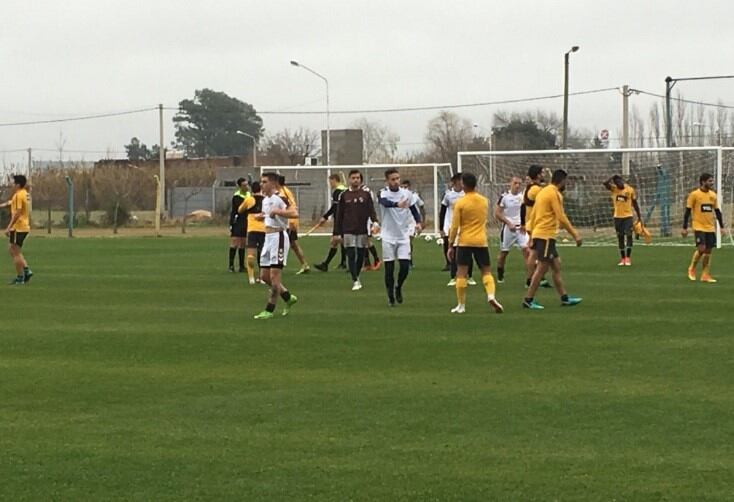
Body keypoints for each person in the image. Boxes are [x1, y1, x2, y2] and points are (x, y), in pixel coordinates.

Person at [522, 169, 583, 310]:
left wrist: (532, 235)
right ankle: (528, 299)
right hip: (545, 236)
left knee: (556, 265)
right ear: (561, 181)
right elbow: (561, 216)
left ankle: (565, 298)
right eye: (566, 182)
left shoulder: (543, 191)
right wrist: (575, 235)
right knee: (542, 268)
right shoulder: (554, 193)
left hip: (541, 234)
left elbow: (534, 215)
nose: (566, 184)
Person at [446, 172, 503, 314]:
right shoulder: (484, 201)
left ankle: (461, 305)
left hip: (465, 241)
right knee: (486, 271)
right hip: (481, 241)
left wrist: (450, 244)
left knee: (461, 274)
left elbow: (454, 226)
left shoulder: (460, 203)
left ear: (463, 185)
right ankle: (491, 295)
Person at [253, 172, 299, 319]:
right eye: (261, 181)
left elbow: (294, 213)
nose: (261, 184)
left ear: (273, 183)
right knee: (264, 276)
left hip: (278, 237)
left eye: (264, 182)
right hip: (268, 238)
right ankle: (287, 297)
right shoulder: (265, 200)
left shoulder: (280, 197)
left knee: (274, 276)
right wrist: (262, 216)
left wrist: (278, 211)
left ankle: (269, 309)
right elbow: (268, 215)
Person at [379, 168, 423, 306]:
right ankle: (390, 295)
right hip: (388, 236)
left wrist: (419, 222)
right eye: (393, 179)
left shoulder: (407, 194)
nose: (396, 181)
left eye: (397, 178)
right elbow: (384, 202)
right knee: (389, 268)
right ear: (387, 181)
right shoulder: (383, 192)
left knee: (404, 266)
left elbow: (413, 209)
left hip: (403, 236)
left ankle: (398, 287)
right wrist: (396, 204)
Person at [333, 170, 378, 291]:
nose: (356, 180)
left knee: (361, 254)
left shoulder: (366, 195)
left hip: (362, 229)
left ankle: (356, 275)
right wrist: (337, 232)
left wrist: (375, 222)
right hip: (348, 229)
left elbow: (371, 210)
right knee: (351, 254)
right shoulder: (344, 195)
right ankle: (355, 280)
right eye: (353, 178)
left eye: (358, 178)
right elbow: (339, 215)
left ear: (361, 180)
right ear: (349, 179)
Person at [682, 173, 725, 283]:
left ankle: (705, 275)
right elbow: (687, 212)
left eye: (712, 181)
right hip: (698, 226)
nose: (712, 183)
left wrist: (721, 226)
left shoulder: (713, 195)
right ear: (703, 182)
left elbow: (717, 212)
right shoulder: (694, 195)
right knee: (701, 249)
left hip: (710, 227)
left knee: (708, 251)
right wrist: (684, 227)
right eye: (710, 181)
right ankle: (692, 268)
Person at [439, 174, 475, 286]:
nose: (461, 183)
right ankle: (453, 276)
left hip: (465, 226)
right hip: (452, 226)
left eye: (462, 180)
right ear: (454, 182)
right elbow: (443, 211)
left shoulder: (467, 194)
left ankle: (469, 276)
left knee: (467, 251)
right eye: (459, 180)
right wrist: (441, 228)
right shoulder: (448, 195)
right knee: (453, 251)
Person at [495, 175, 532, 283]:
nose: (517, 186)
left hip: (521, 229)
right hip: (508, 229)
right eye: (515, 183)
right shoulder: (504, 197)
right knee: (504, 253)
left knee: (527, 251)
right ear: (510, 183)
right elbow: (497, 213)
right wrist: (508, 223)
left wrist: (524, 224)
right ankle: (500, 275)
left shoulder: (523, 197)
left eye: (519, 184)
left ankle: (529, 280)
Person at [521, 165, 551, 289]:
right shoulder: (534, 190)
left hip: (533, 224)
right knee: (536, 254)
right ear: (538, 175)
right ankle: (531, 279)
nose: (543, 174)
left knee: (536, 254)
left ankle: (535, 278)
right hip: (535, 225)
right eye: (542, 173)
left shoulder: (536, 188)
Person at [603, 174, 642, 266]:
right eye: (616, 183)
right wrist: (612, 177)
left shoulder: (630, 190)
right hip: (617, 217)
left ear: (622, 181)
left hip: (628, 216)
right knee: (620, 237)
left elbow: (635, 203)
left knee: (629, 235)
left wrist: (639, 216)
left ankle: (628, 258)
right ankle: (623, 258)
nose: (618, 184)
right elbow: (605, 183)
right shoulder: (614, 189)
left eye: (619, 182)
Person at [2, 175, 33, 285]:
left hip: (18, 227)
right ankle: (26, 270)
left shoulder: (18, 195)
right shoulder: (24, 193)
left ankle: (21, 276)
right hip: (23, 226)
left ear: (18, 185)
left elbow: (18, 212)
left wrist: (9, 227)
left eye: (14, 183)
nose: (12, 185)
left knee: (14, 251)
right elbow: (12, 203)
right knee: (13, 250)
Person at [314, 174, 347, 272]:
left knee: (337, 241)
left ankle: (351, 263)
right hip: (343, 220)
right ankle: (342, 263)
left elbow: (335, 207)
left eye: (330, 181)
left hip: (340, 221)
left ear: (334, 180)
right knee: (337, 242)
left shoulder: (338, 191)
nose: (329, 184)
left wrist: (325, 216)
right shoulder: (344, 190)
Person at [278, 175, 310, 275]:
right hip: (290, 221)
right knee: (293, 244)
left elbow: (290, 207)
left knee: (283, 244)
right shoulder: (285, 190)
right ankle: (304, 264)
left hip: (289, 222)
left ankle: (278, 266)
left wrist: (291, 221)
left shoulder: (282, 193)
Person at [238, 181, 265, 285]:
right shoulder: (265, 200)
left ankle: (251, 278)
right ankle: (262, 278)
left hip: (252, 230)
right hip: (263, 230)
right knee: (262, 255)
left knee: (250, 255)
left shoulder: (249, 199)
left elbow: (240, 210)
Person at [400, 179, 425, 268]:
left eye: (405, 187)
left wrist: (422, 221)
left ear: (409, 187)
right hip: (402, 222)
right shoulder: (398, 196)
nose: (404, 188)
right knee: (404, 241)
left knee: (409, 240)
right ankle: (405, 259)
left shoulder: (414, 196)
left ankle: (409, 260)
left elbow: (421, 207)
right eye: (402, 187)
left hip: (412, 222)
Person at [228, 178, 249, 272]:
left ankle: (241, 266)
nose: (246, 187)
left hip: (246, 221)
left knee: (243, 243)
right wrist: (231, 223)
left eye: (247, 185)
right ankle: (231, 266)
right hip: (237, 221)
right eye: (244, 185)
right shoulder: (237, 196)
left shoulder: (248, 194)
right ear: (240, 186)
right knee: (235, 243)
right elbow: (240, 209)